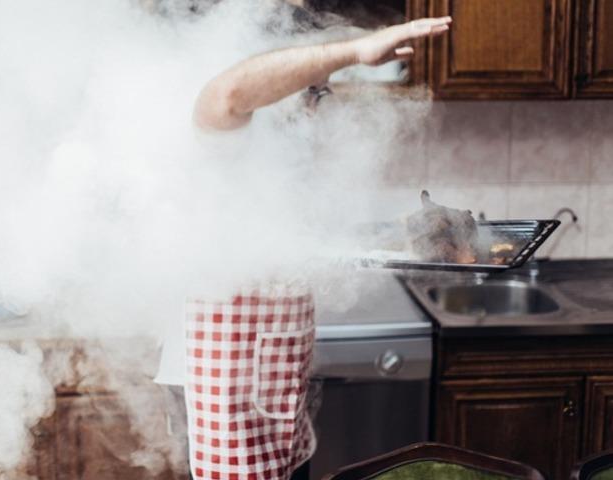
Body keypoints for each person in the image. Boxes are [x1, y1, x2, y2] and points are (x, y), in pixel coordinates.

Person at [154, 5, 451, 480]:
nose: (318, 103)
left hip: (270, 383)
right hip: (223, 389)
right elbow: (228, 92)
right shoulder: (222, 133)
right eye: (309, 88)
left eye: (321, 91)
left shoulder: (280, 151)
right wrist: (353, 50)